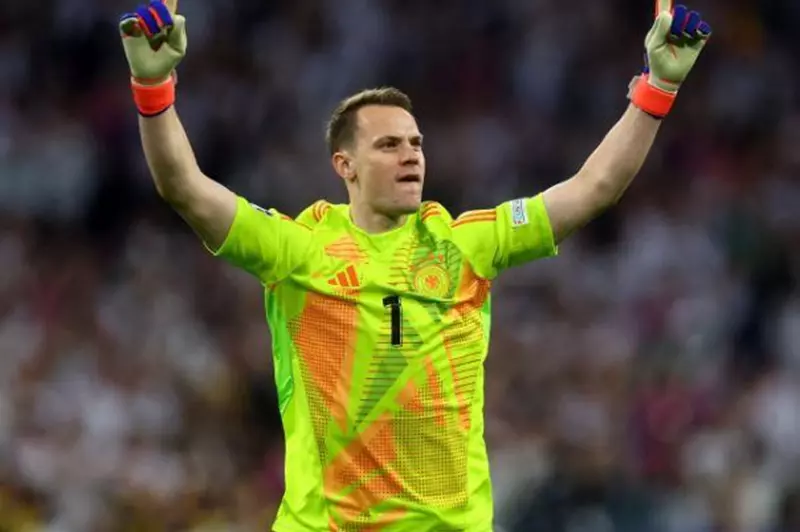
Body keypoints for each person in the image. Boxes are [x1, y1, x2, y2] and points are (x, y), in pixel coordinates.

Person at [117, 1, 711, 530]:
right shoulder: (298, 249)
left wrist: (657, 87)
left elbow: (592, 188)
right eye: (389, 145)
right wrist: (153, 85)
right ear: (345, 165)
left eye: (416, 143)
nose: (411, 156)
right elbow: (185, 187)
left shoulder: (467, 244)